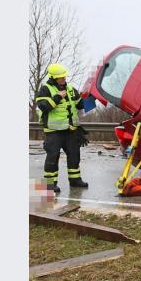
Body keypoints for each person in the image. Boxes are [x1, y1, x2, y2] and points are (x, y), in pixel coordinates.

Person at [35, 63, 89, 193]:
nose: (63, 79)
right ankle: (49, 185)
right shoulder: (45, 89)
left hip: (70, 130)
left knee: (74, 156)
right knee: (53, 157)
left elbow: (80, 105)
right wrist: (58, 97)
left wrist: (87, 98)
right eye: (60, 77)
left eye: (64, 76)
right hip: (54, 132)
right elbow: (43, 106)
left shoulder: (70, 89)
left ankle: (75, 180)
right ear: (53, 78)